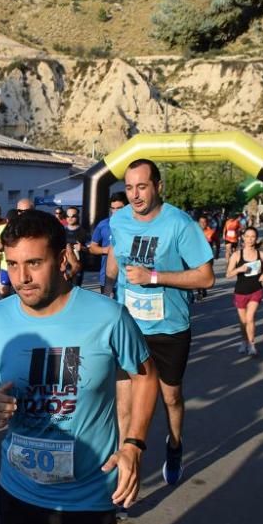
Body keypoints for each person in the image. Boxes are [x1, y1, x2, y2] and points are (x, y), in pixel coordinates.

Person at [0, 209, 159, 524]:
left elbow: (145, 376)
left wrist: (134, 445)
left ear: (61, 257)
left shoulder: (107, 316)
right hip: (18, 488)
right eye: (13, 264)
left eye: (34, 263)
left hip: (86, 493)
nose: (22, 278)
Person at [105, 159, 214, 487]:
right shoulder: (119, 220)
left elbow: (206, 277)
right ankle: (125, 476)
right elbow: (116, 255)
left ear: (158, 186)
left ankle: (175, 443)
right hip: (129, 326)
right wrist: (107, 288)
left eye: (142, 187)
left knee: (171, 398)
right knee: (124, 404)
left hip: (169, 328)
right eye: (129, 188)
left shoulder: (179, 224)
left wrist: (154, 277)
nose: (135, 195)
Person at [226, 227, 263, 355]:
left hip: (255, 290)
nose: (250, 239)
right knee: (243, 321)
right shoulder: (237, 255)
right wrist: (239, 269)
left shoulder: (261, 255)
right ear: (243, 238)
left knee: (250, 318)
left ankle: (251, 344)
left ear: (256, 239)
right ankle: (244, 341)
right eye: (248, 236)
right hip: (240, 291)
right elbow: (228, 274)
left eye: (253, 237)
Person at [89, 192, 128, 295]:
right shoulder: (103, 224)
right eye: (113, 208)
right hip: (107, 279)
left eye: (119, 208)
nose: (115, 211)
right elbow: (92, 248)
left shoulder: (134, 226)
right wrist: (107, 250)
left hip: (128, 279)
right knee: (109, 310)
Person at [62, 207, 90, 286]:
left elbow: (91, 249)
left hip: (77, 269)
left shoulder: (84, 232)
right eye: (68, 216)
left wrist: (82, 248)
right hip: (62, 266)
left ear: (78, 216)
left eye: (73, 216)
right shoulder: (61, 230)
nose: (70, 218)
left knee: (75, 290)